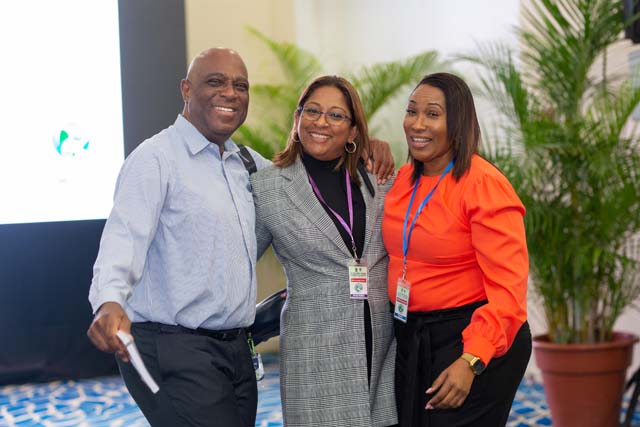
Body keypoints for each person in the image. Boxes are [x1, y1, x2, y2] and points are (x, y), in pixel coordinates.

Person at [86, 48, 394, 427]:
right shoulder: (156, 159)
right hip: (173, 345)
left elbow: (303, 183)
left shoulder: (248, 166)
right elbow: (123, 239)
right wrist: (108, 301)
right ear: (186, 89)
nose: (230, 93)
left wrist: (368, 145)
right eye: (215, 82)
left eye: (240, 86)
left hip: (235, 350)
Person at [382, 73, 531, 427]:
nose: (417, 124)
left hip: (472, 337)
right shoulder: (402, 180)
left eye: (433, 114)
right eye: (412, 111)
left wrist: (472, 360)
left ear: (459, 123)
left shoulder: (483, 184)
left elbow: (509, 292)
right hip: (414, 335)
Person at [251, 75, 398, 427]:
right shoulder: (268, 188)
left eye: (336, 115)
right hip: (315, 355)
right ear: (297, 118)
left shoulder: (380, 177)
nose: (321, 122)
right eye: (312, 111)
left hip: (383, 351)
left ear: (353, 130)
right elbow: (236, 261)